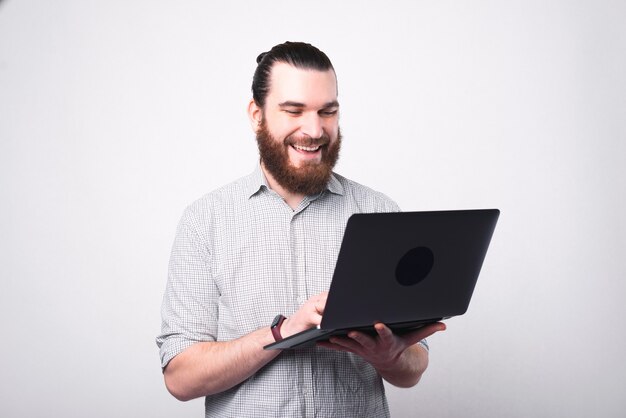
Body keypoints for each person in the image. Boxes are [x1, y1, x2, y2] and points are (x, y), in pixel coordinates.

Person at [156, 41, 446, 417]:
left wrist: (391, 357)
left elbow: (412, 370)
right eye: (294, 111)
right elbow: (180, 379)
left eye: (328, 111)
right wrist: (281, 333)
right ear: (256, 115)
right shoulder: (205, 221)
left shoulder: (379, 212)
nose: (314, 130)